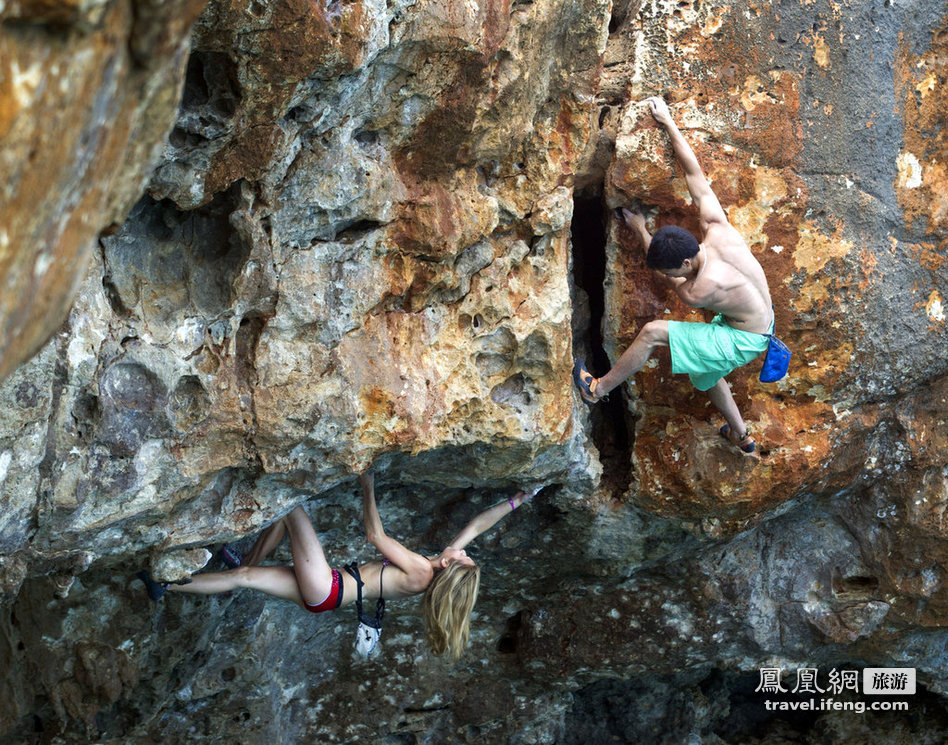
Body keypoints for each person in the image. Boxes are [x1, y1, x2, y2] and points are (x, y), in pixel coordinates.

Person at [139, 471, 538, 661]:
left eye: (465, 559)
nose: (465, 552)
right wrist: (518, 500)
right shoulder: (437, 563)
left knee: (290, 505)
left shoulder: (421, 571)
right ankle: (165, 586)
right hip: (324, 595)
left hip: (327, 587)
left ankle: (235, 562)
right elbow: (476, 525)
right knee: (242, 576)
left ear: (452, 570)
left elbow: (375, 537)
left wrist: (368, 488)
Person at [573, 96, 774, 454]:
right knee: (708, 370)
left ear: (684, 265)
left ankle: (597, 390)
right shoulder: (717, 227)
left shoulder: (699, 289)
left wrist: (639, 230)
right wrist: (667, 122)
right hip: (757, 325)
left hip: (745, 340)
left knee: (652, 334)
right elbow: (694, 173)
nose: (669, 274)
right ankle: (742, 436)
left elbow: (668, 282)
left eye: (670, 269)